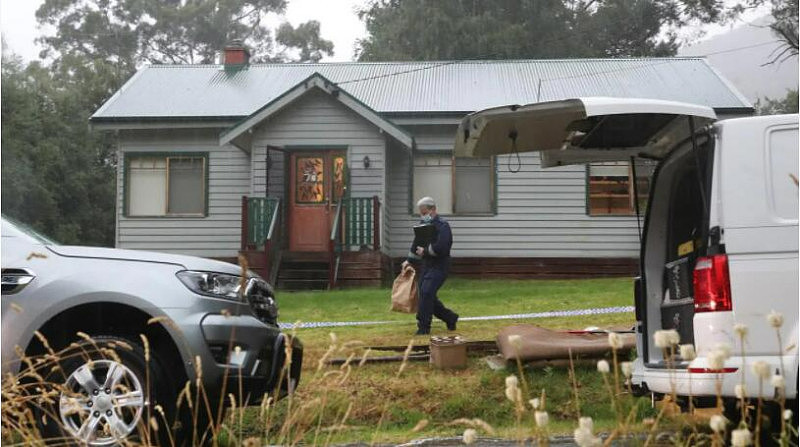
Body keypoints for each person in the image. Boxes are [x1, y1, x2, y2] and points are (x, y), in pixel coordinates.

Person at [403, 196, 459, 336]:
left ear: (433, 209)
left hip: (440, 266)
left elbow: (443, 247)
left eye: (424, 212)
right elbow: (417, 243)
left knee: (427, 292)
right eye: (421, 213)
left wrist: (426, 251)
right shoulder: (423, 226)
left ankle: (423, 327)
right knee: (426, 296)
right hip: (427, 266)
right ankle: (450, 317)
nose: (423, 216)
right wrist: (409, 260)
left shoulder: (443, 226)